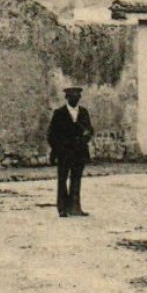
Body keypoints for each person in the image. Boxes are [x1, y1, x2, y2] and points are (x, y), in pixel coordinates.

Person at [48, 85, 93, 217]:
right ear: (67, 97)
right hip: (64, 152)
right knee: (62, 180)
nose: (75, 99)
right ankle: (62, 208)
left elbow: (90, 129)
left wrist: (85, 136)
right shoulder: (59, 113)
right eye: (72, 97)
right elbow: (52, 134)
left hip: (79, 152)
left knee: (76, 180)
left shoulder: (83, 112)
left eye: (77, 97)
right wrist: (57, 148)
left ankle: (75, 207)